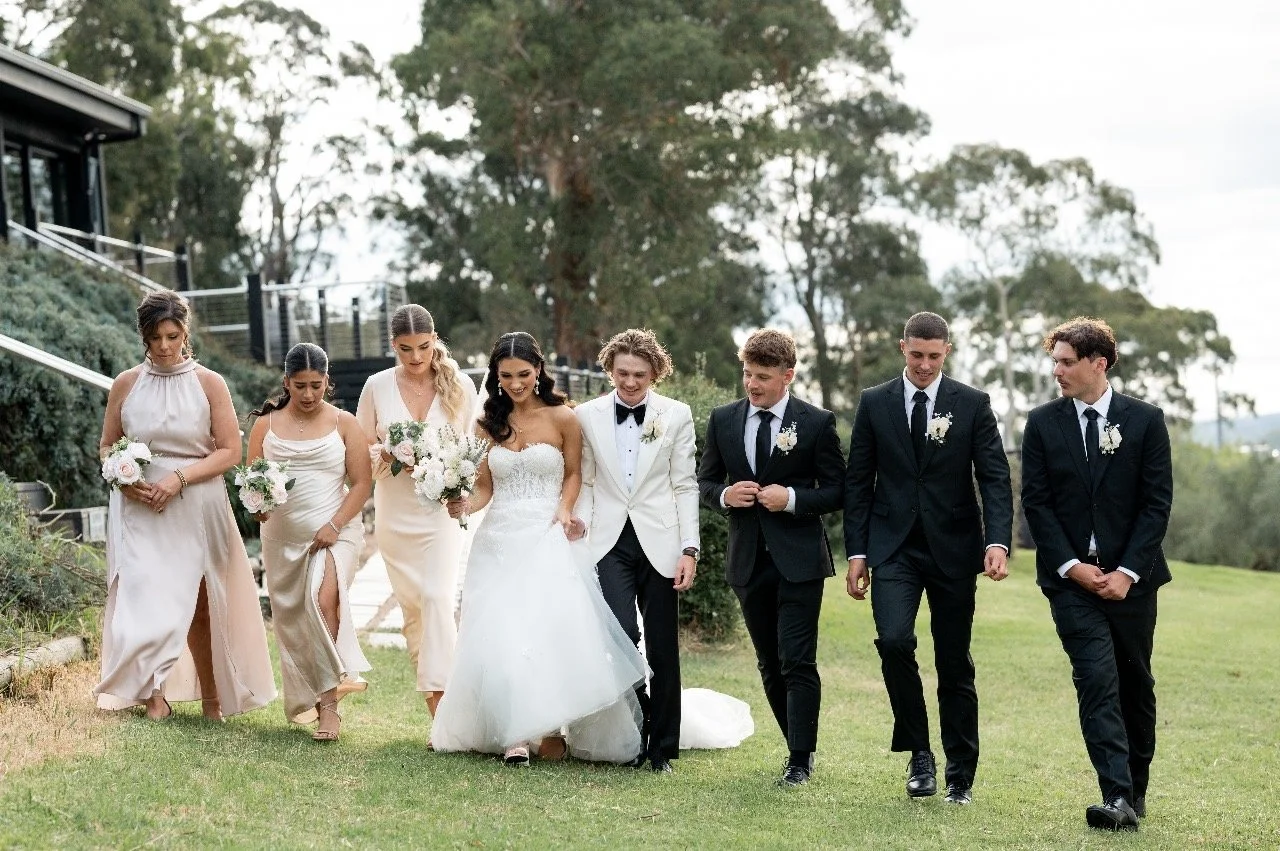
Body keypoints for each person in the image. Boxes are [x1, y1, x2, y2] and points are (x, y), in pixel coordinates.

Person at [431, 331, 647, 766]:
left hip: (547, 534)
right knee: (503, 634)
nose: (515, 384)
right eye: (506, 376)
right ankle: (514, 733)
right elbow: (485, 488)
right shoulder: (486, 425)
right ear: (495, 376)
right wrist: (463, 503)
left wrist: (564, 510)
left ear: (539, 371)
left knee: (548, 632)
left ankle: (549, 728)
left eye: (523, 374)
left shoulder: (564, 417)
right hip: (497, 540)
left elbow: (573, 473)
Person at [842, 312, 1013, 805]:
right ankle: (920, 754)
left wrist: (997, 542)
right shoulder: (875, 402)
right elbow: (859, 481)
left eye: (933, 356)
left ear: (947, 352)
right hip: (893, 548)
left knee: (953, 661)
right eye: (916, 354)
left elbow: (994, 477)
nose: (924, 365)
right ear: (903, 348)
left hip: (954, 549)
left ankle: (961, 772)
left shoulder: (973, 403)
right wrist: (858, 551)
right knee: (894, 641)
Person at [94, 289, 275, 721]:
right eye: (155, 337)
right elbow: (106, 446)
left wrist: (178, 478)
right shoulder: (126, 384)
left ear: (185, 333)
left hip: (195, 503)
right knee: (141, 595)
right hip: (139, 507)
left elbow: (230, 451)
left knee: (200, 604)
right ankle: (154, 696)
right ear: (144, 336)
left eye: (172, 336)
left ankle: (213, 698)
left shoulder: (209, 383)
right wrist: (124, 479)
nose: (164, 346)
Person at [1021, 317, 1172, 832]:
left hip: (1133, 582)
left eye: (1067, 362)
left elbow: (1156, 504)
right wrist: (1071, 566)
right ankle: (1116, 795)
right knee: (1095, 679)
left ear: (1098, 363)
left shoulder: (1146, 421)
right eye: (1055, 362)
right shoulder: (1042, 423)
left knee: (1135, 683)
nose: (1057, 371)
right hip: (1070, 582)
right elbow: (1037, 503)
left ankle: (1135, 789)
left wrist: (1127, 572)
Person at [696, 328, 844, 787]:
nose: (752, 384)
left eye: (762, 376)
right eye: (747, 373)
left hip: (800, 563)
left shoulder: (816, 422)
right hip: (747, 562)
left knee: (797, 660)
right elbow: (703, 483)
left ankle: (800, 759)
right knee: (769, 662)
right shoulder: (723, 420)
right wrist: (725, 496)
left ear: (787, 375)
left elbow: (839, 490)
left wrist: (793, 498)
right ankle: (794, 745)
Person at [570, 329, 698, 773]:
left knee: (663, 646)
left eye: (639, 375)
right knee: (620, 634)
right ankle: (637, 721)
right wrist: (579, 524)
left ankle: (662, 747)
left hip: (662, 542)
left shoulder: (676, 415)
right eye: (622, 373)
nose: (629, 382)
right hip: (608, 542)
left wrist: (690, 548)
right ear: (610, 370)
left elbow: (685, 485)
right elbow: (586, 480)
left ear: (655, 373)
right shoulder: (586, 416)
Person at [355, 304, 478, 716]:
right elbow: (359, 454)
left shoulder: (460, 385)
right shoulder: (376, 386)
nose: (416, 357)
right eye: (405, 349)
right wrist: (390, 454)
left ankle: (449, 710)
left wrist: (450, 477)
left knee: (436, 598)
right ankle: (436, 708)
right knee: (414, 609)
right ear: (393, 345)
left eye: (423, 347)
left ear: (434, 339)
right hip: (396, 513)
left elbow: (473, 450)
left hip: (441, 513)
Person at [247, 343, 373, 741]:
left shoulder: (344, 423)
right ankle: (322, 691)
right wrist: (259, 508)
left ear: (326, 381)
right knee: (295, 626)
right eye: (300, 385)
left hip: (336, 533)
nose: (308, 394)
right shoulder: (265, 425)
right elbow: (252, 486)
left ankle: (330, 710)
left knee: (322, 600)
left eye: (316, 385)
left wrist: (334, 524)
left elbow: (362, 483)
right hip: (282, 539)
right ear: (286, 382)